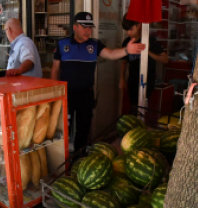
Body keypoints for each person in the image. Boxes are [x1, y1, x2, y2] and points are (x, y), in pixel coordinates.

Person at [50, 12, 145, 159]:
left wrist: (127, 50)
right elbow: (55, 70)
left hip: (85, 96)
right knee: (63, 129)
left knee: (83, 129)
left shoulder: (94, 45)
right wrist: (54, 94)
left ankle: (78, 160)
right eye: (84, 27)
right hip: (65, 95)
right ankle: (61, 162)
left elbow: (112, 54)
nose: (88, 31)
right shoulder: (62, 44)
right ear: (75, 27)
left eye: (90, 28)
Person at [120, 13, 169, 113]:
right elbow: (124, 61)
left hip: (148, 81)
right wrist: (121, 78)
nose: (129, 33)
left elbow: (165, 59)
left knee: (143, 109)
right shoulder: (127, 42)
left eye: (131, 29)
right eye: (126, 30)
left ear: (138, 26)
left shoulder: (149, 40)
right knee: (133, 108)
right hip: (132, 80)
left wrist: (148, 52)